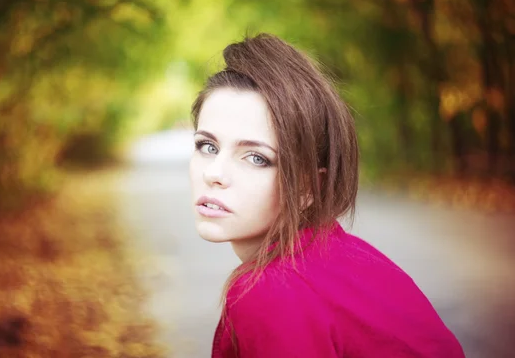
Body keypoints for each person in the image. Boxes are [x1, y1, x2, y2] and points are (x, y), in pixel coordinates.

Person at [188, 34, 465, 357]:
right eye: (208, 147)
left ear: (308, 187)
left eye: (256, 158)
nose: (214, 174)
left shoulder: (273, 293)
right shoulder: (343, 255)